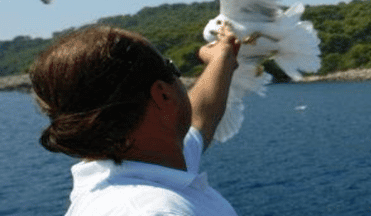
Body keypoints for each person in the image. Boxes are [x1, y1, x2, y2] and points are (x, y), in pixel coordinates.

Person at [30, 24, 242, 215]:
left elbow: (200, 118)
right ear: (163, 94)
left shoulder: (145, 163)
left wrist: (221, 58)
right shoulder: (153, 210)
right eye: (171, 67)